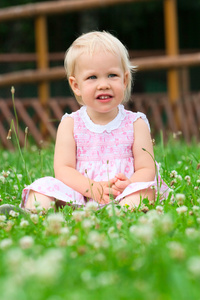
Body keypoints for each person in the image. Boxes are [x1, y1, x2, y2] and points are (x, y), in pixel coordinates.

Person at [21, 31, 169, 211]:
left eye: (112, 75)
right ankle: (33, 210)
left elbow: (147, 169)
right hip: (79, 194)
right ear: (76, 86)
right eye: (92, 77)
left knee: (144, 191)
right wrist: (91, 188)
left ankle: (125, 211)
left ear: (125, 80)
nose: (103, 84)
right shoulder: (70, 124)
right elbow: (63, 169)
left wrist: (129, 183)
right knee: (43, 188)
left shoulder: (136, 123)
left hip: (123, 193)